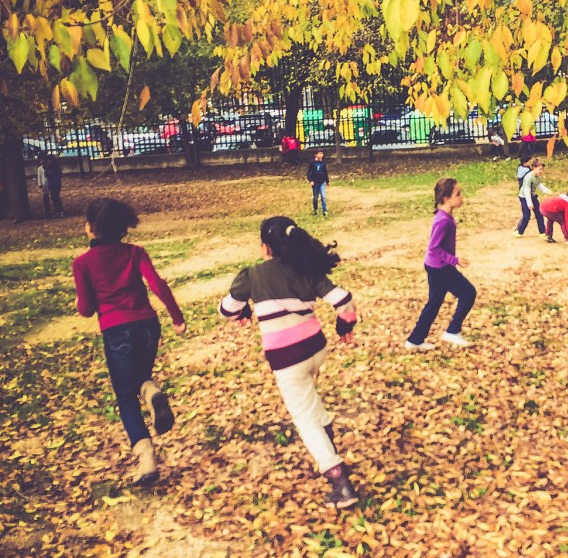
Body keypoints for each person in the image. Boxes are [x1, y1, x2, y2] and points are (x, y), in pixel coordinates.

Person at [219, 217, 359, 509]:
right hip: (316, 349)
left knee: (303, 418)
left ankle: (339, 483)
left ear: (265, 247)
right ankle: (327, 435)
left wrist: (242, 310)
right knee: (309, 400)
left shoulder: (252, 276)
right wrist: (345, 325)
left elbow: (226, 310)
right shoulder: (306, 269)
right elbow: (343, 300)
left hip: (288, 359)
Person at [73, 197, 187, 487]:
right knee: (141, 379)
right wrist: (176, 317)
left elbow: (86, 309)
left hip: (116, 331)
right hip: (147, 326)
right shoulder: (135, 252)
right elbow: (157, 284)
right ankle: (150, 390)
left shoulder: (82, 263)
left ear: (91, 228)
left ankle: (147, 460)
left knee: (125, 398)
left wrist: (80, 302)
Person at [406, 177, 476, 350]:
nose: (462, 197)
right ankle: (452, 331)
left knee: (434, 302)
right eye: (458, 194)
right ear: (446, 199)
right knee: (468, 293)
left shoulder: (445, 216)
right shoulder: (443, 220)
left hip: (436, 266)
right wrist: (455, 260)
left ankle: (414, 340)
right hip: (440, 268)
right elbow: (434, 248)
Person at [516, 159, 550, 236]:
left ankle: (542, 232)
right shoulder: (528, 177)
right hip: (524, 197)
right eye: (540, 169)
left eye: (542, 169)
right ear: (534, 168)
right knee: (527, 215)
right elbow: (526, 191)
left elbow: (539, 185)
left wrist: (547, 191)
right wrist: (529, 203)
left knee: (539, 213)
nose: (541, 171)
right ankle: (519, 231)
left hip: (532, 196)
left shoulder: (537, 176)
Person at [306, 150, 330, 216]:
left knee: (323, 196)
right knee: (316, 197)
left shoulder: (323, 163)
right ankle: (315, 210)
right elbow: (309, 172)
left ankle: (324, 210)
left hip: (322, 182)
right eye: (320, 153)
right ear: (316, 155)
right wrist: (310, 180)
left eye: (322, 153)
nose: (321, 155)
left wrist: (327, 181)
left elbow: (325, 172)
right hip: (315, 182)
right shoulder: (312, 163)